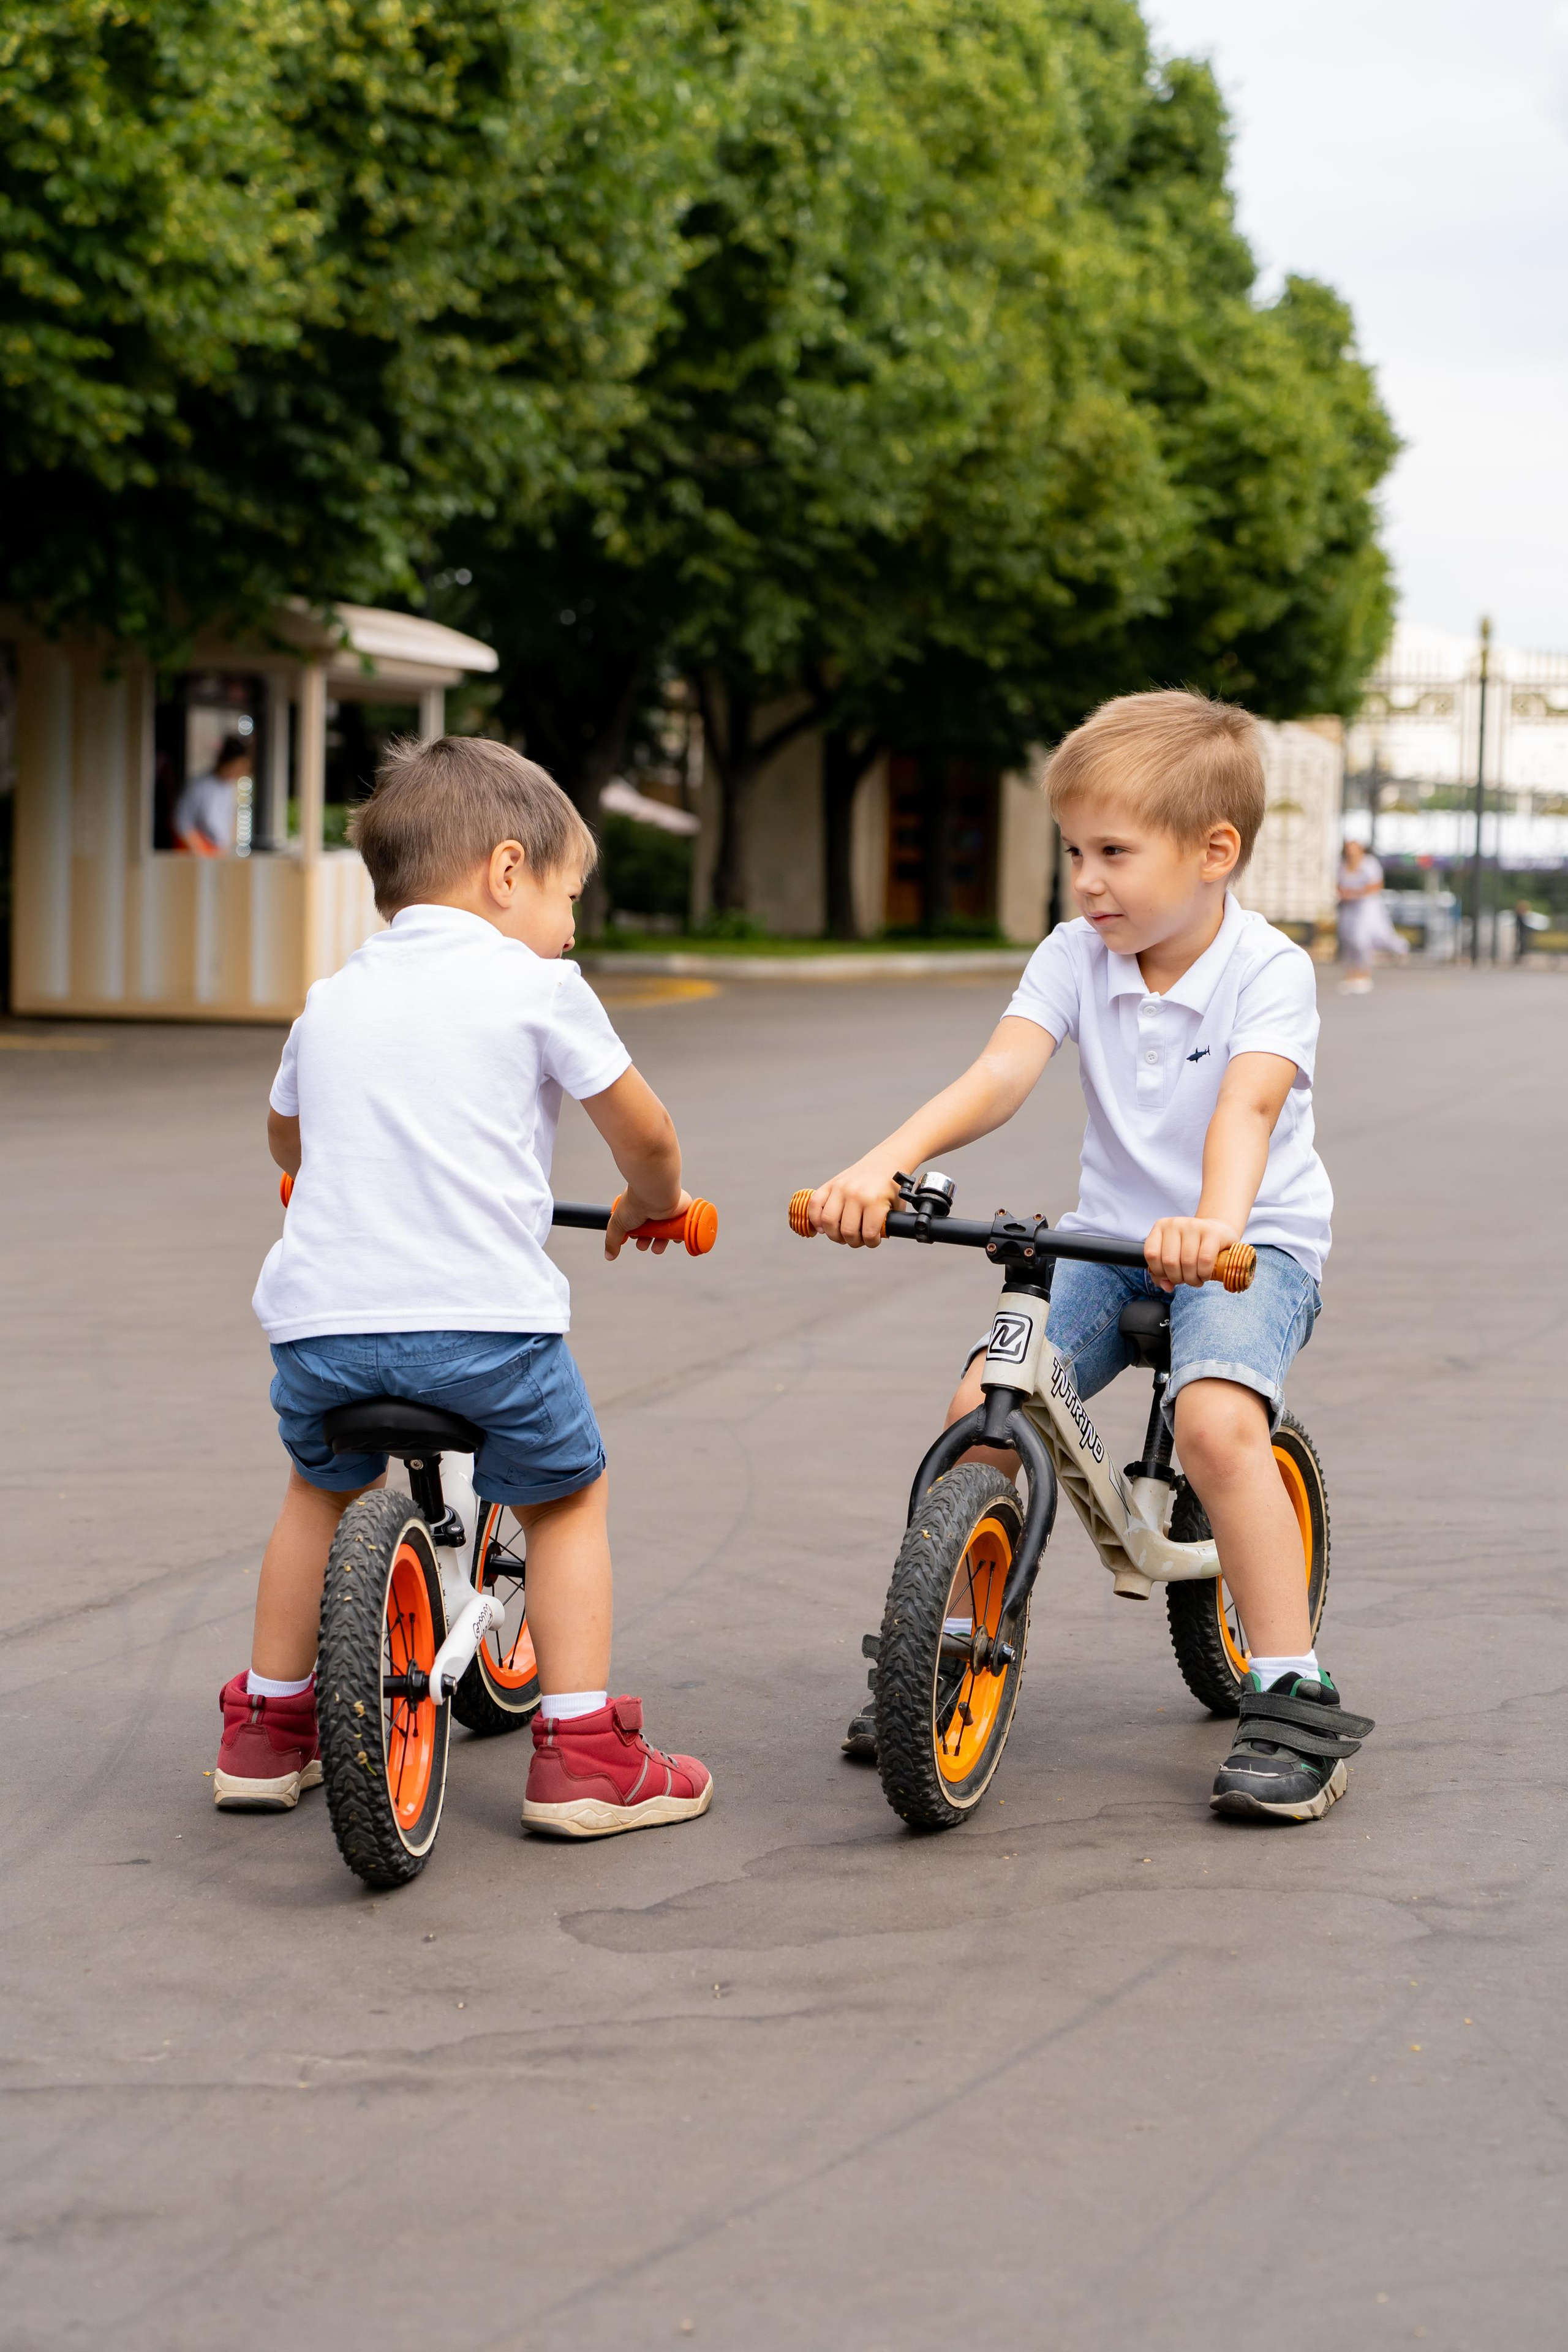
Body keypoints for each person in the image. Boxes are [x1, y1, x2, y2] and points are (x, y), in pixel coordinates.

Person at [812, 689, 1372, 1824]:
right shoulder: (1076, 955)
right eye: (1074, 852)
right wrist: (882, 1164)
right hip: (1109, 1240)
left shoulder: (1268, 969)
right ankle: (946, 1643)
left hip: (1249, 1243)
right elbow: (1001, 1074)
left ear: (1215, 852)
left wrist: (1216, 1222)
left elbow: (1248, 1109)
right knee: (981, 1404)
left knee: (1216, 1427)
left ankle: (1290, 1689)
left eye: (1114, 853)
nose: (1086, 881)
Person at [213, 735, 712, 1838]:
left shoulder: (331, 998)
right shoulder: (541, 987)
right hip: (484, 1331)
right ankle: (585, 1753)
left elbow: (286, 1138)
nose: (572, 927)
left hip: (321, 1331)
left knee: (317, 1493)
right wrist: (654, 1201)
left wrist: (324, 1172)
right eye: (568, 897)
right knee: (567, 1497)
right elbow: (646, 1134)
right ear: (506, 871)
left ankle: (267, 1729)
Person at [1335, 836, 1407, 993]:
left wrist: (1355, 894)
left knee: (1362, 939)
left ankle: (1365, 973)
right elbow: (1338, 885)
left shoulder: (1370, 864)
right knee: (1348, 940)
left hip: (1367, 907)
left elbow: (1376, 886)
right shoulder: (1342, 865)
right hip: (1349, 908)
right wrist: (1344, 895)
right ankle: (1351, 975)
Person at [173, 733, 252, 855]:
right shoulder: (199, 786)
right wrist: (201, 852)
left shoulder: (230, 788)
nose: (239, 773)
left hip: (219, 853)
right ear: (226, 762)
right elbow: (182, 824)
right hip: (198, 853)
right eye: (237, 767)